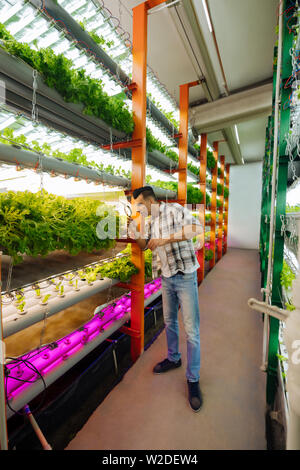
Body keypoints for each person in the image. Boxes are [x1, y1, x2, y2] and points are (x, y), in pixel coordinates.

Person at [129, 186, 204, 412]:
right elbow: (146, 246)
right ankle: (173, 358)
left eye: (140, 206)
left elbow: (196, 228)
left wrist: (165, 240)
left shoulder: (175, 210)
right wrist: (135, 232)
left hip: (185, 275)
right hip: (167, 278)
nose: (139, 211)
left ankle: (193, 379)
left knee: (191, 330)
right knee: (169, 322)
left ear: (150, 201)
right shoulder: (150, 223)